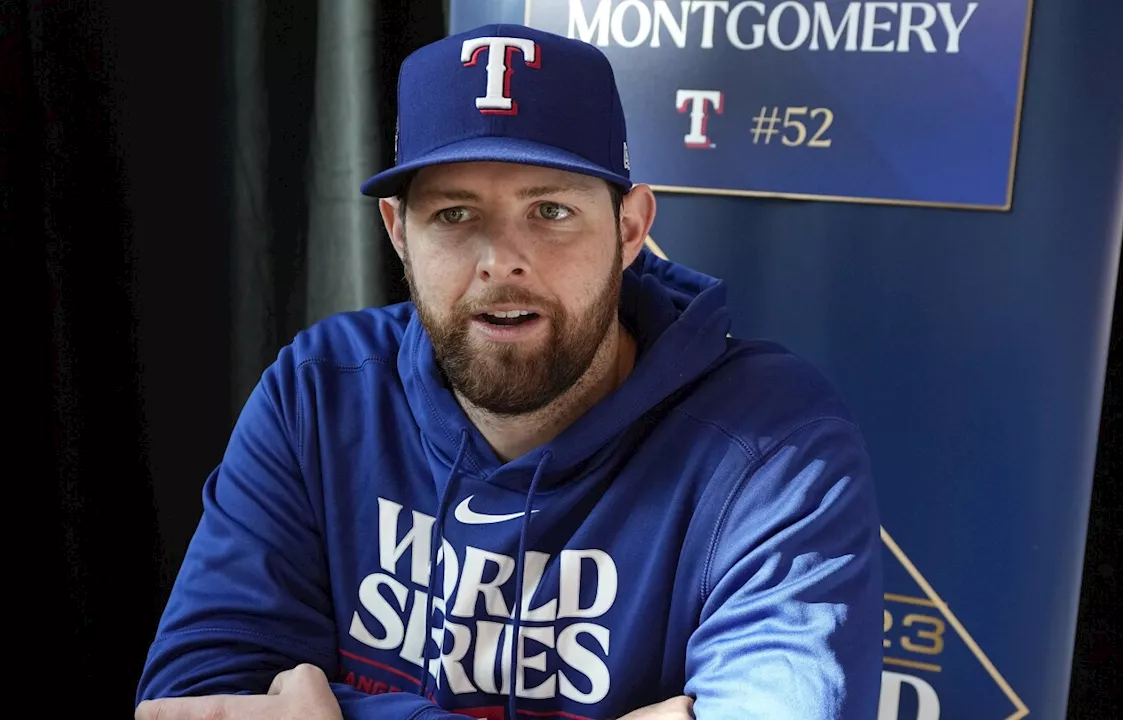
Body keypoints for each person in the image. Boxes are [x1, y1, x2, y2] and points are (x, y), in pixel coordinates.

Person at [134, 22, 883, 720]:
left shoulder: (772, 445)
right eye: (455, 215)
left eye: (550, 211)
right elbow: (198, 696)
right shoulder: (319, 393)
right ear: (399, 233)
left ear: (629, 230)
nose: (502, 261)